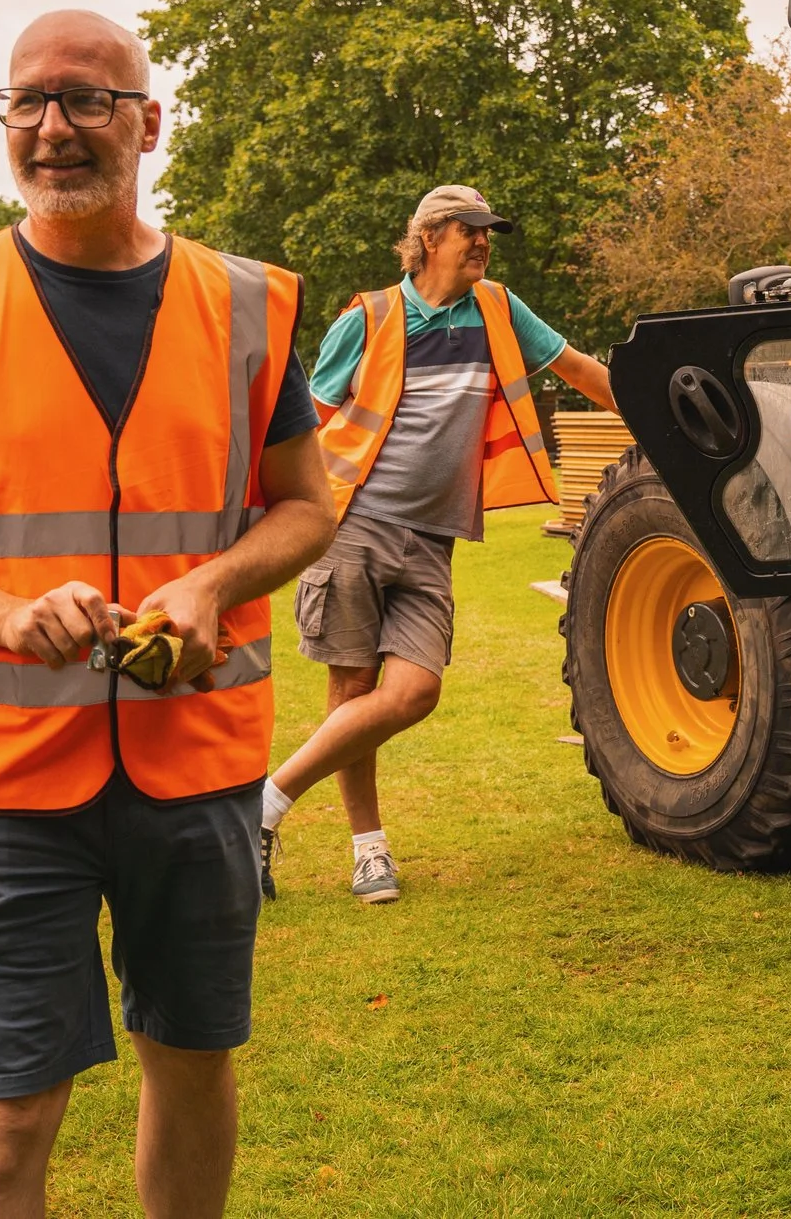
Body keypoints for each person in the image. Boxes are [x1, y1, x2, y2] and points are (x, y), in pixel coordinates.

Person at [0, 10, 334, 1219]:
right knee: (5, 1113)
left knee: (193, 1065)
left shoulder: (248, 305)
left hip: (194, 760)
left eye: (86, 99)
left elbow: (307, 506)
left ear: (148, 123)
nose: (53, 127)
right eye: (27, 102)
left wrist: (210, 583)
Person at [257, 184, 617, 905]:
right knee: (352, 690)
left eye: (488, 231)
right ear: (426, 238)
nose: (483, 241)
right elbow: (300, 422)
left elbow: (579, 370)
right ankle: (369, 851)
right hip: (350, 524)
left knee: (415, 689)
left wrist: (667, 424)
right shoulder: (370, 317)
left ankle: (260, 804)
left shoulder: (498, 309)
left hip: (432, 537)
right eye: (468, 230)